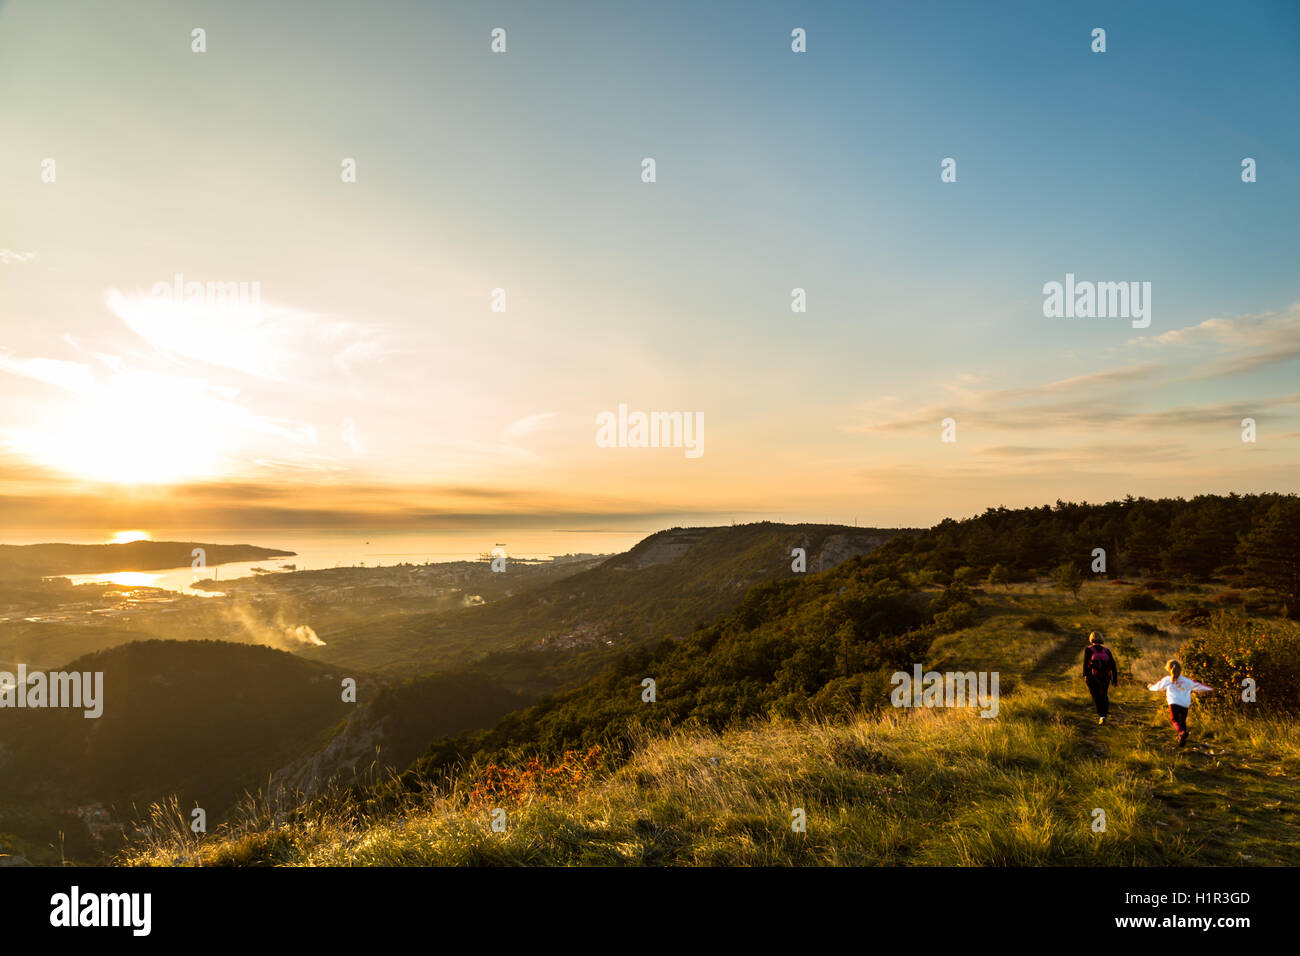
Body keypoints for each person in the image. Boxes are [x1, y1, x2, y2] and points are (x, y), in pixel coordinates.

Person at [1147, 659, 1215, 747]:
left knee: (1175, 720)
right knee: (1182, 721)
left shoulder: (1167, 680)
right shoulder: (1186, 681)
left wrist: (1150, 687)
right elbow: (1198, 686)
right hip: (1185, 704)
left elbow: (1157, 687)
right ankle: (1182, 740)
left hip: (1174, 703)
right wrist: (1210, 689)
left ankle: (1182, 733)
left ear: (1169, 669)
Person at [1082, 631, 1119, 724]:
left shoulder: (1089, 649)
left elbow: (1085, 664)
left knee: (1096, 696)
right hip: (1106, 677)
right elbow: (1113, 665)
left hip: (1093, 676)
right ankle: (1104, 714)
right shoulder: (1106, 650)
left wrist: (1085, 675)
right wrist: (1115, 679)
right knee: (1104, 694)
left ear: (1091, 639)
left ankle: (1101, 715)